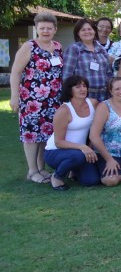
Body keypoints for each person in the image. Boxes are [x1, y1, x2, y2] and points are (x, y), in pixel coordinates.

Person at [9, 12, 64, 184]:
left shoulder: (58, 47)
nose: (46, 31)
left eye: (49, 28)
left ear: (55, 29)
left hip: (53, 100)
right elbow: (16, 72)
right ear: (37, 29)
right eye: (42, 28)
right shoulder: (29, 46)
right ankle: (32, 171)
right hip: (32, 100)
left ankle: (41, 168)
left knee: (45, 135)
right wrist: (14, 97)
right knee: (32, 135)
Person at [44, 75, 100, 190]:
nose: (83, 89)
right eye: (78, 87)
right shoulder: (64, 111)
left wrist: (88, 146)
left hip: (80, 151)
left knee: (91, 180)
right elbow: (59, 142)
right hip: (56, 151)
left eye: (84, 86)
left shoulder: (93, 103)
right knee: (77, 156)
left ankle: (74, 170)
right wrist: (82, 147)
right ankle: (57, 177)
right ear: (70, 90)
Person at [63, 18, 113, 101]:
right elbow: (67, 76)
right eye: (83, 30)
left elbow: (108, 73)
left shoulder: (101, 49)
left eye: (90, 29)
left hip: (103, 96)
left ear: (94, 31)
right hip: (83, 97)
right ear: (78, 33)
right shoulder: (73, 49)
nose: (87, 32)